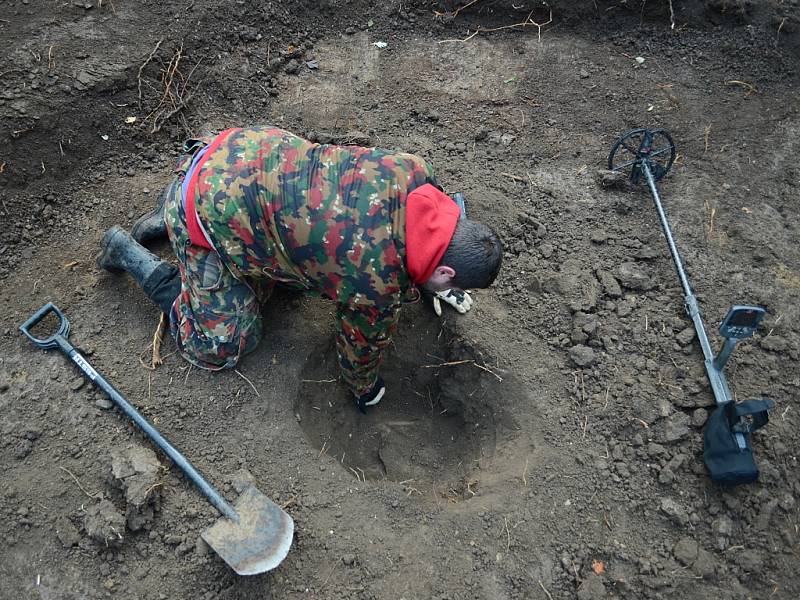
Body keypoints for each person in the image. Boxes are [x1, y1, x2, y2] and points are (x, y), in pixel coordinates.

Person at [97, 126, 502, 412]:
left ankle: (179, 205)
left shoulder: (418, 172)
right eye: (444, 278)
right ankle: (133, 248)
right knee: (221, 343)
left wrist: (427, 276)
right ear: (446, 273)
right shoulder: (376, 281)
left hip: (244, 149)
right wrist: (366, 391)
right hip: (212, 204)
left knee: (293, 270)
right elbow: (359, 352)